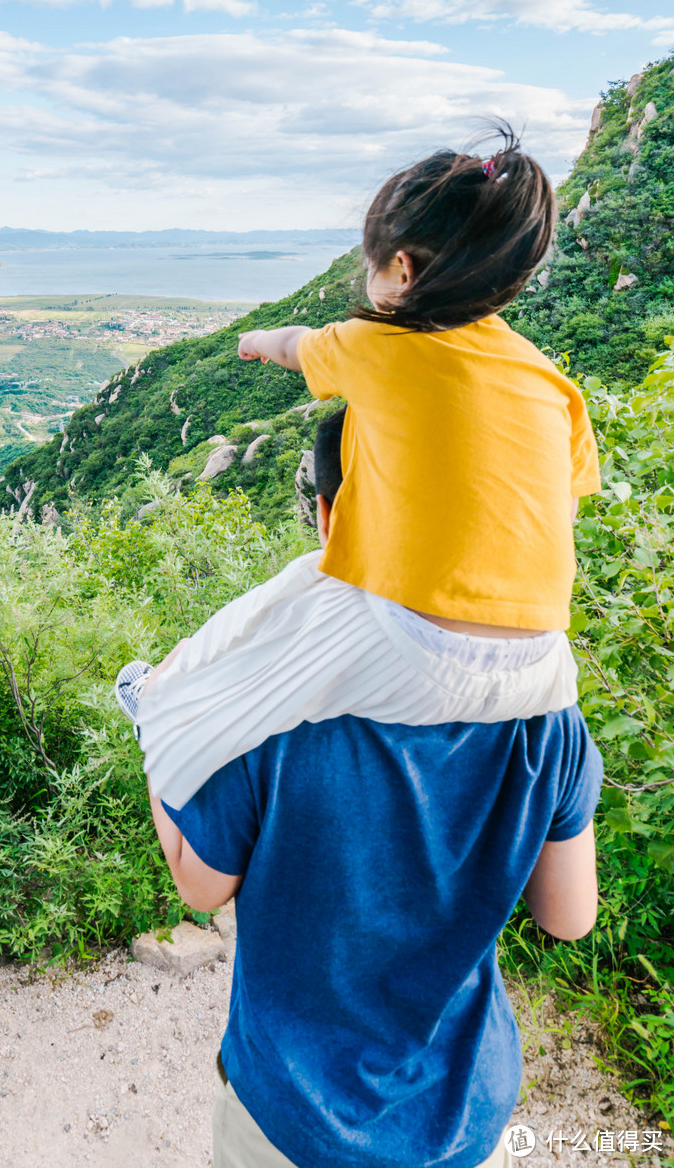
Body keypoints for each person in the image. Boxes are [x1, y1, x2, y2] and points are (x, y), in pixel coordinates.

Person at [150, 412, 603, 1168]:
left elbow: (200, 887)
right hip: (463, 1111)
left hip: (297, 1116)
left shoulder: (272, 707)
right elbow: (570, 915)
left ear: (330, 518)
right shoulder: (543, 709)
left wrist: (162, 745)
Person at [119, 132, 600, 811]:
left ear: (400, 270)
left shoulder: (379, 342)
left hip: (422, 652)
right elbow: (553, 510)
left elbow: (293, 346)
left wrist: (252, 341)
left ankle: (158, 704)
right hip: (547, 672)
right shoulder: (553, 385)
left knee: (290, 595)